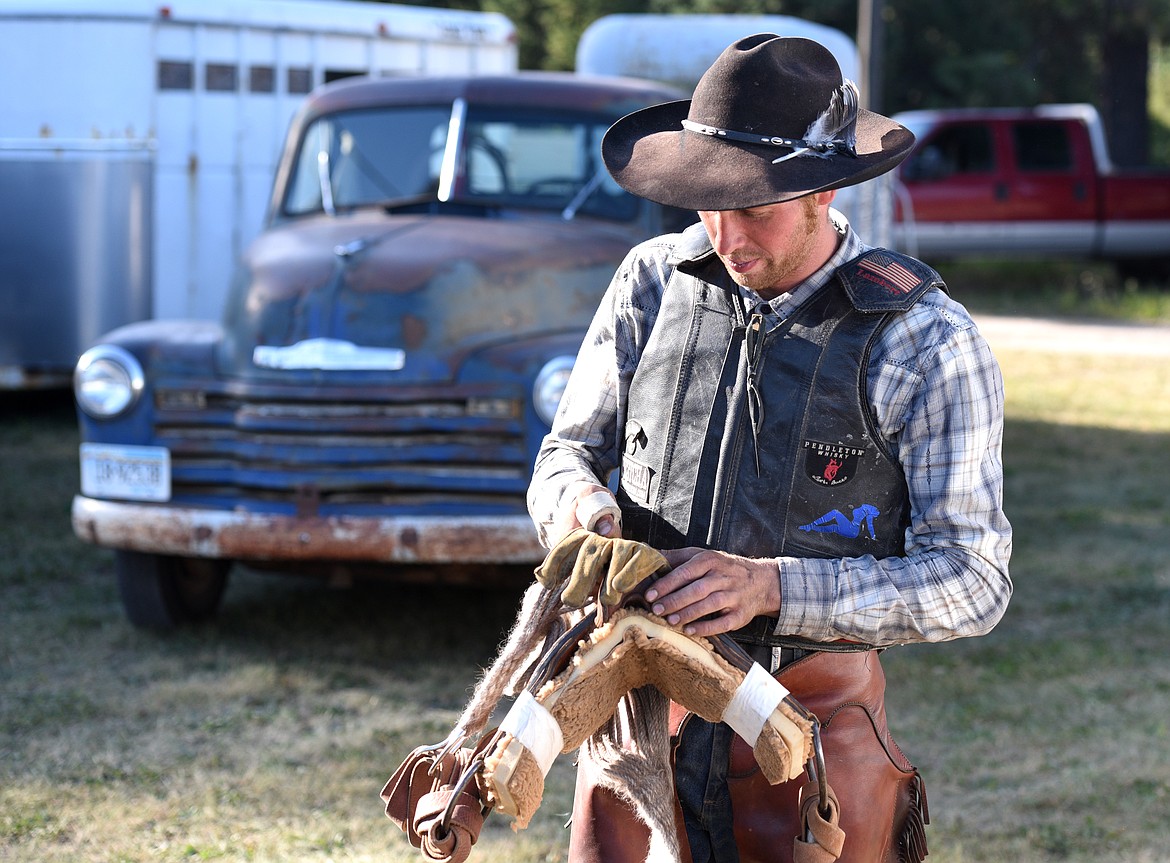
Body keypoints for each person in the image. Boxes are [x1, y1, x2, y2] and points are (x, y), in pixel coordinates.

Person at [526, 33, 1013, 863]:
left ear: (824, 193)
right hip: (636, 745)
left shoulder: (925, 341)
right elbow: (561, 457)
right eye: (708, 202)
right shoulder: (650, 282)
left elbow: (974, 580)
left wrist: (771, 588)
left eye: (754, 207)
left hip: (813, 761)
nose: (726, 233)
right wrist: (581, 509)